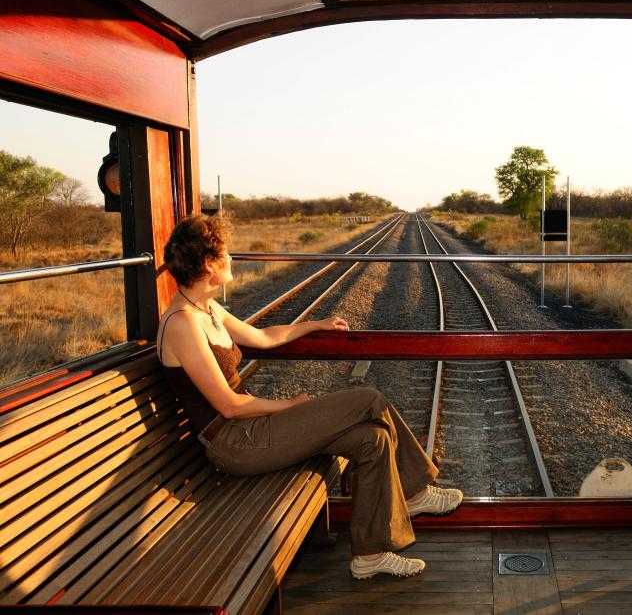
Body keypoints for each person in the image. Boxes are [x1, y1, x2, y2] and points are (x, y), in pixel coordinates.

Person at [156, 214, 462, 580]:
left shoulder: (207, 309)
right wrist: (289, 406)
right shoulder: (182, 324)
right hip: (233, 442)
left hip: (250, 430)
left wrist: (315, 325)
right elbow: (229, 405)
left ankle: (369, 554)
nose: (232, 258)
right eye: (225, 253)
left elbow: (265, 337)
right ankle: (414, 491)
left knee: (373, 440)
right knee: (367, 399)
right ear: (208, 264)